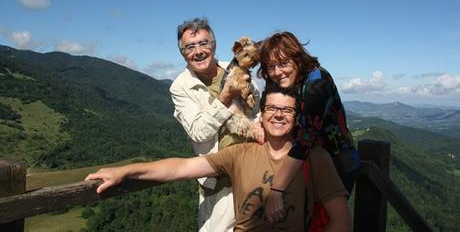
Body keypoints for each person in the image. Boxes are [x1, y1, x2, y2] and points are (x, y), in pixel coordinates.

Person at [86, 84, 352, 232]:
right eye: (271, 108)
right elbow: (182, 168)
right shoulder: (241, 153)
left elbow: (341, 221)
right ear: (262, 112)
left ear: (297, 118)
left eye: (287, 110)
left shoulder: (314, 158)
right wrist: (125, 171)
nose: (278, 115)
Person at [257, 31, 361, 223]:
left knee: (325, 222)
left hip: (336, 164)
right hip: (307, 163)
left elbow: (306, 138)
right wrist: (258, 124)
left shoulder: (317, 81)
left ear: (298, 59)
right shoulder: (292, 83)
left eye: (284, 63)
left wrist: (277, 189)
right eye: (271, 66)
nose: (277, 72)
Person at [169, 18, 260, 231]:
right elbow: (199, 132)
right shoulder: (180, 87)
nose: (198, 51)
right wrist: (226, 96)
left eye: (204, 43)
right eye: (190, 47)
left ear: (214, 45)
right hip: (220, 182)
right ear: (182, 53)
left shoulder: (235, 67)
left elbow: (256, 109)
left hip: (253, 169)